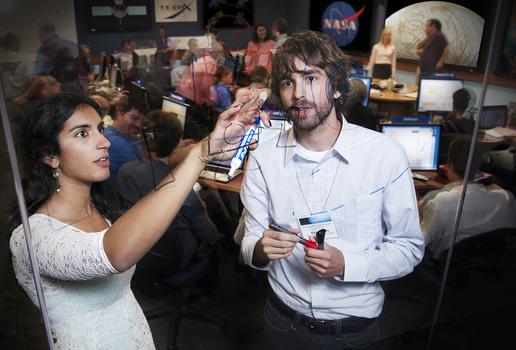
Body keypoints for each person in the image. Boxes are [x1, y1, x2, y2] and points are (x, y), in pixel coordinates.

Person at [9, 91, 268, 349]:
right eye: (82, 133)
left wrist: (211, 144)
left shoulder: (97, 208)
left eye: (99, 129)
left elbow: (169, 158)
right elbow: (114, 255)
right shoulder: (33, 237)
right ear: (49, 155)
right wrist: (201, 154)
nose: (104, 142)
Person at [240, 31, 424, 350]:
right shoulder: (262, 156)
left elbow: (408, 248)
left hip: (353, 331)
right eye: (287, 82)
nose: (298, 93)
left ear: (338, 86)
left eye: (311, 78)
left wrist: (347, 265)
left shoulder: (385, 155)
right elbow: (247, 240)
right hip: (282, 322)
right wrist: (259, 249)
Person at [115, 111, 218, 272]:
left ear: (143, 138)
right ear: (177, 141)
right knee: (211, 200)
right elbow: (208, 234)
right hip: (175, 259)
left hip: (137, 254)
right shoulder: (181, 187)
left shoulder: (125, 171)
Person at [421, 136, 516, 260]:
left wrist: (418, 217)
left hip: (446, 272)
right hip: (492, 272)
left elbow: (420, 242)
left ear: (449, 165)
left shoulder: (441, 202)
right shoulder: (506, 199)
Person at [103, 94, 147, 183]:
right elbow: (144, 176)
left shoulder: (122, 135)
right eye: (134, 118)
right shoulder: (116, 143)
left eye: (142, 120)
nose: (139, 125)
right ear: (120, 114)